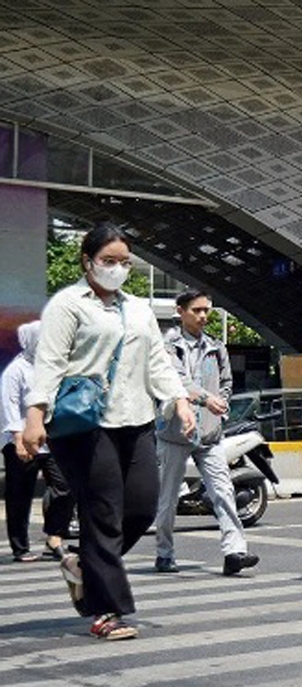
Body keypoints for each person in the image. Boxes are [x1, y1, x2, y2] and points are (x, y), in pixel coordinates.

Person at [23, 222, 195, 641]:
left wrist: (180, 398)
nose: (117, 269)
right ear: (88, 262)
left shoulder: (138, 309)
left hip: (135, 419)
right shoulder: (68, 305)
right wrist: (34, 415)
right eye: (108, 261)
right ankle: (106, 611)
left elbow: (157, 360)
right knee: (103, 513)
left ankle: (82, 567)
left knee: (140, 508)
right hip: (84, 425)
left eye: (124, 262)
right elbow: (50, 362)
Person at [153, 290, 260, 576]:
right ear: (180, 311)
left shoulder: (215, 346)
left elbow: (226, 382)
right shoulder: (168, 345)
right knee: (168, 498)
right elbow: (177, 380)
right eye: (196, 310)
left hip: (210, 435)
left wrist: (220, 402)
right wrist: (205, 398)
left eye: (206, 311)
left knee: (224, 492)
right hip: (174, 433)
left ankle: (234, 551)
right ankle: (164, 552)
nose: (202, 316)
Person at [2, 321, 75, 562]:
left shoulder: (51, 368)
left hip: (51, 439)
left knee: (65, 486)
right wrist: (17, 439)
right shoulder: (16, 370)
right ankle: (20, 547)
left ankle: (54, 535)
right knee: (20, 495)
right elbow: (9, 406)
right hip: (21, 439)